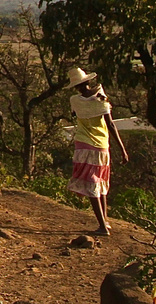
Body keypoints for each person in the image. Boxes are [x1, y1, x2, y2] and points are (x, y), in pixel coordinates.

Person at [66, 65, 127, 236]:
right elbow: (111, 124)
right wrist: (122, 149)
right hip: (102, 145)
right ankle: (105, 221)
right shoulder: (100, 99)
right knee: (100, 182)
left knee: (92, 184)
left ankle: (102, 225)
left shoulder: (75, 100)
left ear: (76, 86)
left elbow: (75, 114)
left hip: (84, 144)